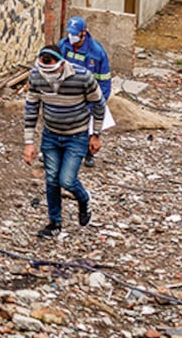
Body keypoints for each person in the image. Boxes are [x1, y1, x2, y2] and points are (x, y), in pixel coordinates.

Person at [22, 45, 105, 238]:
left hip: (76, 136)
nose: (47, 75)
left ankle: (84, 199)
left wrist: (96, 134)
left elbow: (99, 104)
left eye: (50, 68)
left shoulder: (82, 77)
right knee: (51, 180)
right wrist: (29, 142)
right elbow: (31, 108)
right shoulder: (36, 76)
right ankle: (54, 223)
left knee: (66, 179)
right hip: (50, 135)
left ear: (61, 64)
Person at [58, 16, 112, 168]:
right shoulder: (63, 46)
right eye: (70, 33)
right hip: (68, 93)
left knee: (89, 126)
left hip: (88, 94)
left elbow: (104, 79)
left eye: (75, 33)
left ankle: (88, 153)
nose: (72, 37)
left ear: (84, 32)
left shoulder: (97, 52)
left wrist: (100, 100)